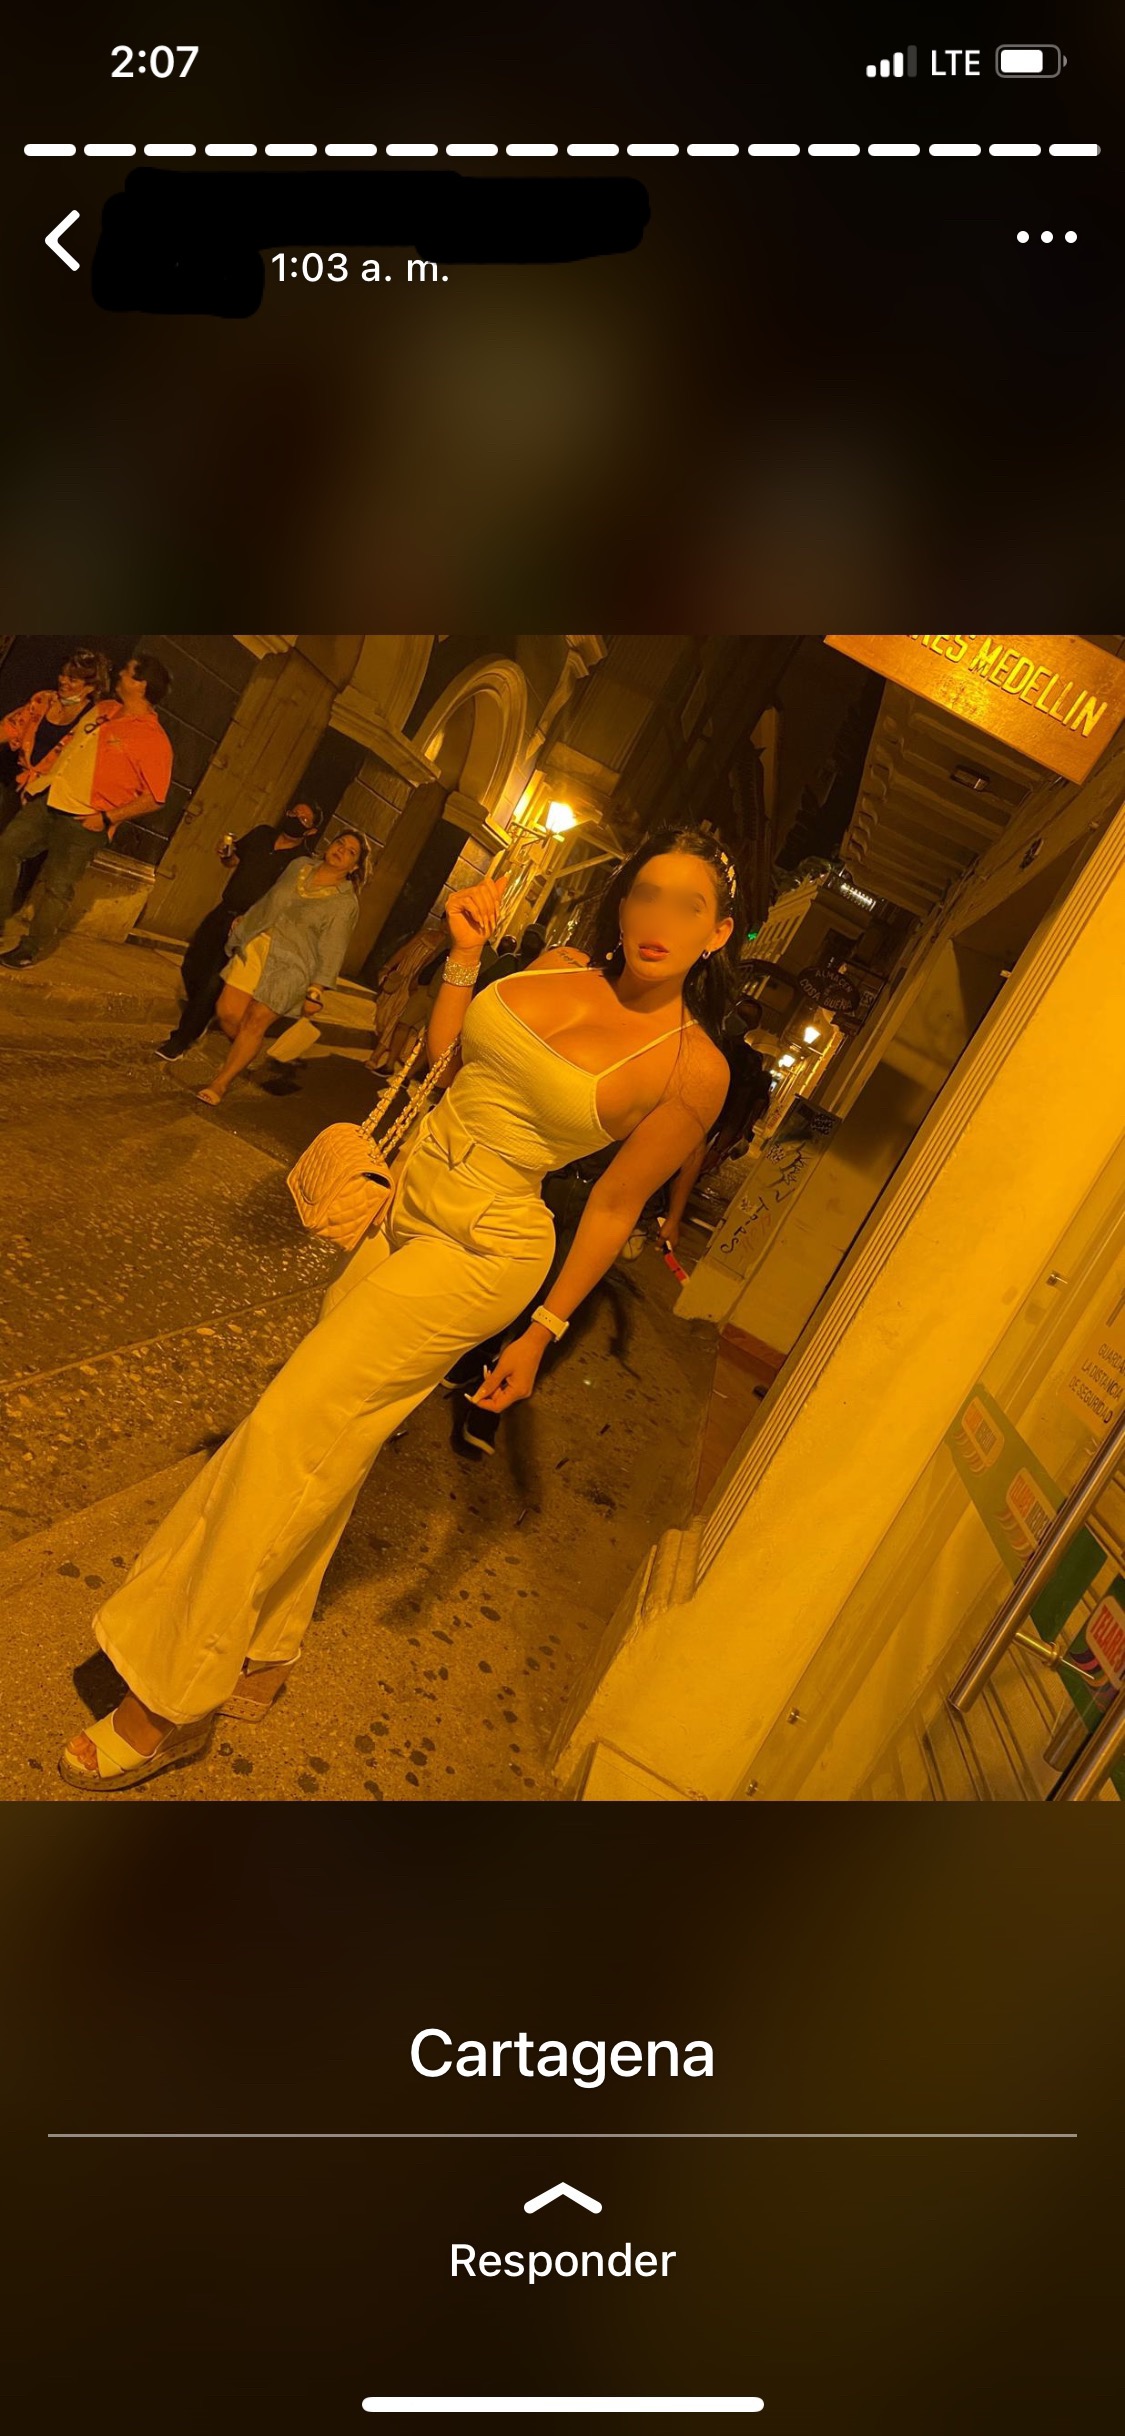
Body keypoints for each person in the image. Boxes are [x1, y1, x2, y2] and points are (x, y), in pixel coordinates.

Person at [58, 825, 740, 1789]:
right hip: (407, 1198)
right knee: (332, 1441)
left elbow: (614, 1207)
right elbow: (450, 1061)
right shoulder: (556, 965)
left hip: (484, 1246)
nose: (658, 918)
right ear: (621, 905)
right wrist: (463, 957)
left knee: (284, 1432)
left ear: (718, 933)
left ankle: (169, 1696)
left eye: (687, 905)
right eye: (645, 893)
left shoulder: (691, 1067)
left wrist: (542, 1331)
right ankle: (269, 1647)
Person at [0, 654, 173, 968]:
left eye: (128, 672)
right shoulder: (105, 709)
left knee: (57, 886)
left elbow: (155, 798)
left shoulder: (153, 739)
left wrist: (107, 818)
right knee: (6, 849)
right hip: (49, 799)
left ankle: (32, 947)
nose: (120, 674)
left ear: (141, 685)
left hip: (86, 820)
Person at [193, 827, 371, 1105]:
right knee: (228, 1012)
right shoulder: (298, 866)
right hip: (257, 946)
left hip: (294, 966)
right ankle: (248, 1048)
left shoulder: (345, 903)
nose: (341, 850)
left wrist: (316, 988)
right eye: (339, 843)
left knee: (255, 1021)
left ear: (355, 867)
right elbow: (269, 899)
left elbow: (334, 946)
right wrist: (247, 919)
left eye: (350, 852)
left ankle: (220, 1083)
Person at [154, 800, 326, 1061]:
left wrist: (253, 920)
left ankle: (182, 1039)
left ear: (311, 831)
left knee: (213, 981)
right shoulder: (262, 834)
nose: (294, 818)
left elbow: (288, 902)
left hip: (251, 925)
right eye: (293, 813)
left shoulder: (302, 863)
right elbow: (233, 860)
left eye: (303, 819)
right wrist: (226, 854)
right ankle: (203, 1015)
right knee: (192, 964)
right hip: (224, 910)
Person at [366, 917, 449, 1074]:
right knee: (384, 1012)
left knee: (397, 1019)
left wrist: (418, 981)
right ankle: (384, 1048)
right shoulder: (426, 933)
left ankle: (376, 1056)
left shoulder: (445, 946)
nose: (446, 926)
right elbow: (404, 951)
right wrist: (388, 967)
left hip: (414, 985)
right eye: (445, 921)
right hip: (400, 978)